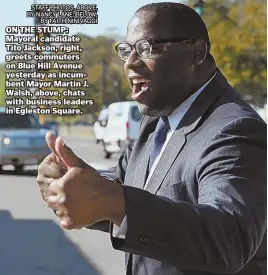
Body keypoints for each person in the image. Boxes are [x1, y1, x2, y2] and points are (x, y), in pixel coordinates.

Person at [37, 2, 267, 275]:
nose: (130, 63)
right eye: (126, 50)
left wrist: (114, 201)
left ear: (195, 52)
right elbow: (123, 186)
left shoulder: (235, 129)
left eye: (147, 48)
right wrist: (73, 182)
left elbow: (228, 240)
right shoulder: (157, 120)